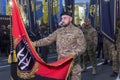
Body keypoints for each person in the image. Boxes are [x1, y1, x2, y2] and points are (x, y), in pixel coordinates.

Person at [33, 11, 86, 80]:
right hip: (61, 64)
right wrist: (33, 44)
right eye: (62, 18)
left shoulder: (77, 31)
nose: (62, 20)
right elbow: (48, 40)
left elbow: (82, 47)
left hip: (73, 63)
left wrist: (74, 54)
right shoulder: (59, 31)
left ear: (70, 19)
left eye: (65, 18)